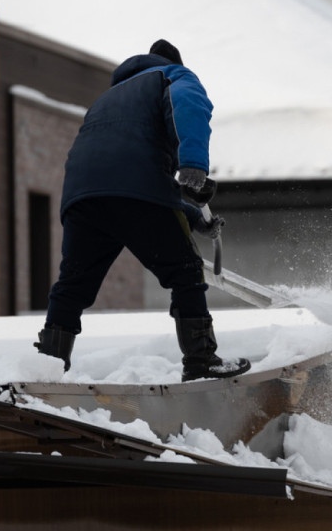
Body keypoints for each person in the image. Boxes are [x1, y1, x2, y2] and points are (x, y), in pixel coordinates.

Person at [33, 39, 251, 382]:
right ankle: (201, 359)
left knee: (72, 286)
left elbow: (125, 174)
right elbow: (188, 105)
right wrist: (193, 163)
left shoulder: (106, 100)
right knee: (185, 271)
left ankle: (46, 369)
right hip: (135, 191)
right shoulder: (173, 76)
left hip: (83, 198)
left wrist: (193, 217)